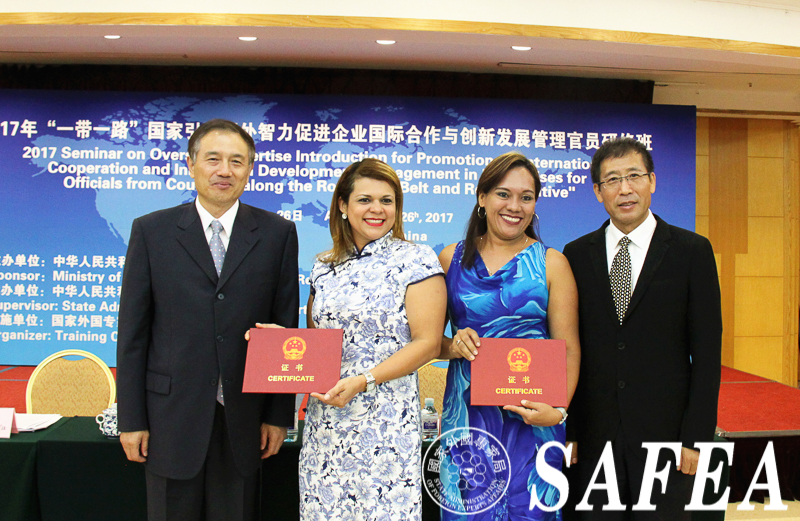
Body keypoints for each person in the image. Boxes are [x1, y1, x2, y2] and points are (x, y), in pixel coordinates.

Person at [116, 119, 299, 521]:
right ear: (190, 164)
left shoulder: (277, 233)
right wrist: (130, 419)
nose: (224, 170)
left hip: (245, 416)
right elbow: (133, 333)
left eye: (237, 161)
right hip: (170, 416)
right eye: (213, 158)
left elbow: (285, 331)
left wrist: (277, 414)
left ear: (250, 169)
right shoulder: (151, 231)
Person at [562, 138, 722, 520]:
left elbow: (707, 354)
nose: (625, 189)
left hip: (666, 436)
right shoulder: (576, 254)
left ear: (652, 181)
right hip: (596, 438)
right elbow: (569, 347)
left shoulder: (692, 251)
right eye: (612, 180)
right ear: (598, 191)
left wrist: (695, 438)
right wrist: (571, 432)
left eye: (634, 176)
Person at [297, 158, 446, 520]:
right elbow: (318, 339)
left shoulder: (417, 260)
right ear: (343, 207)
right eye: (365, 200)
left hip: (387, 425)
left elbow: (427, 342)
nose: (377, 209)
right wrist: (278, 342)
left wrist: (365, 380)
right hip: (326, 422)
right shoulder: (323, 266)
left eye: (387, 200)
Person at [437, 151, 581, 520]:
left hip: (534, 420)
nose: (514, 206)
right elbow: (427, 341)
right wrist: (452, 346)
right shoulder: (450, 258)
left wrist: (559, 410)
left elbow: (568, 349)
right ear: (482, 197)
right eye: (503, 194)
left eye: (526, 197)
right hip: (467, 419)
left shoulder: (552, 263)